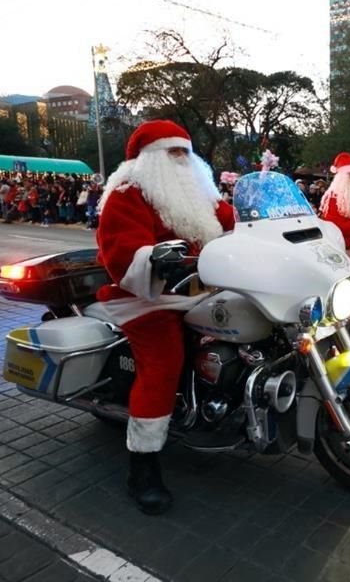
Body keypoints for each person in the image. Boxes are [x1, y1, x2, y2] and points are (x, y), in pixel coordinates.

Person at [95, 120, 236, 515]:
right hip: (146, 295)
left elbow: (234, 220)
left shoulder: (201, 196)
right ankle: (142, 467)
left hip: (202, 288)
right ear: (149, 159)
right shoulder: (128, 193)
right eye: (171, 152)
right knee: (163, 362)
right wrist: (156, 258)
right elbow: (120, 251)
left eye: (184, 153)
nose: (180, 159)